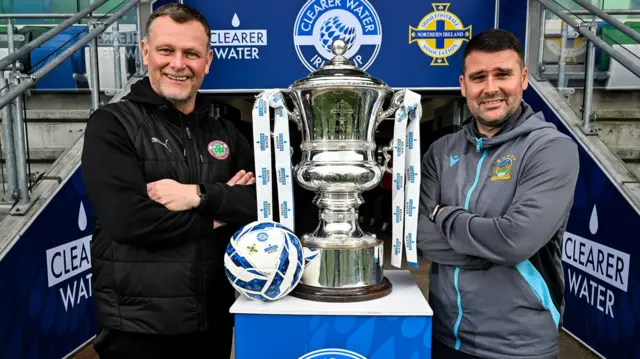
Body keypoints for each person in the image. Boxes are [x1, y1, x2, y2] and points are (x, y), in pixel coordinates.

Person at [81, 4, 257, 358]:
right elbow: (129, 221)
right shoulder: (112, 125)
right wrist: (220, 212)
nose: (178, 64)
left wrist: (197, 195)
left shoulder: (226, 131)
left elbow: (265, 203)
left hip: (213, 318)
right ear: (146, 52)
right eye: (166, 50)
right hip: (139, 325)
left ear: (207, 62)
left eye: (191, 53)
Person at [417, 29, 579, 359]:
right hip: (444, 336)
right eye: (479, 77)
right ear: (464, 86)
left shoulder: (550, 149)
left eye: (502, 74)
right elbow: (420, 235)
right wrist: (491, 247)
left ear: (523, 79)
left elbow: (514, 241)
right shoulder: (441, 150)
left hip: (518, 346)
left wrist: (444, 215)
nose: (490, 88)